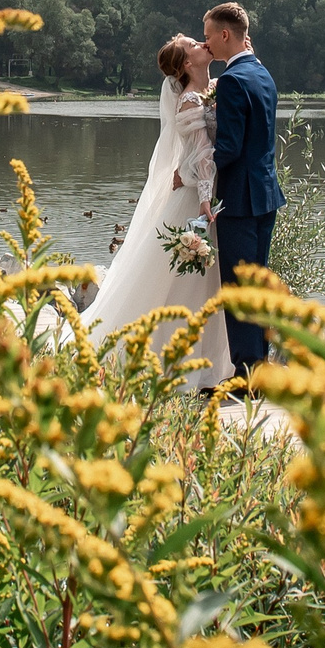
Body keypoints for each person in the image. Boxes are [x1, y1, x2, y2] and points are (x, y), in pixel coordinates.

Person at [83, 34, 234, 392]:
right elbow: (201, 157)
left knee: (209, 285)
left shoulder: (214, 87)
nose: (204, 44)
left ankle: (214, 363)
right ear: (186, 63)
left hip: (208, 194)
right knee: (188, 285)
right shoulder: (187, 102)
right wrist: (203, 201)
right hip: (198, 202)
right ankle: (175, 363)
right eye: (195, 44)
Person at [204, 1, 282, 372]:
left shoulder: (233, 81)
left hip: (239, 199)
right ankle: (261, 366)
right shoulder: (263, 73)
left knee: (237, 286)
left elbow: (230, 148)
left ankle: (247, 373)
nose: (206, 45)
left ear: (225, 35)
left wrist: (196, 172)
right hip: (266, 195)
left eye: (208, 37)